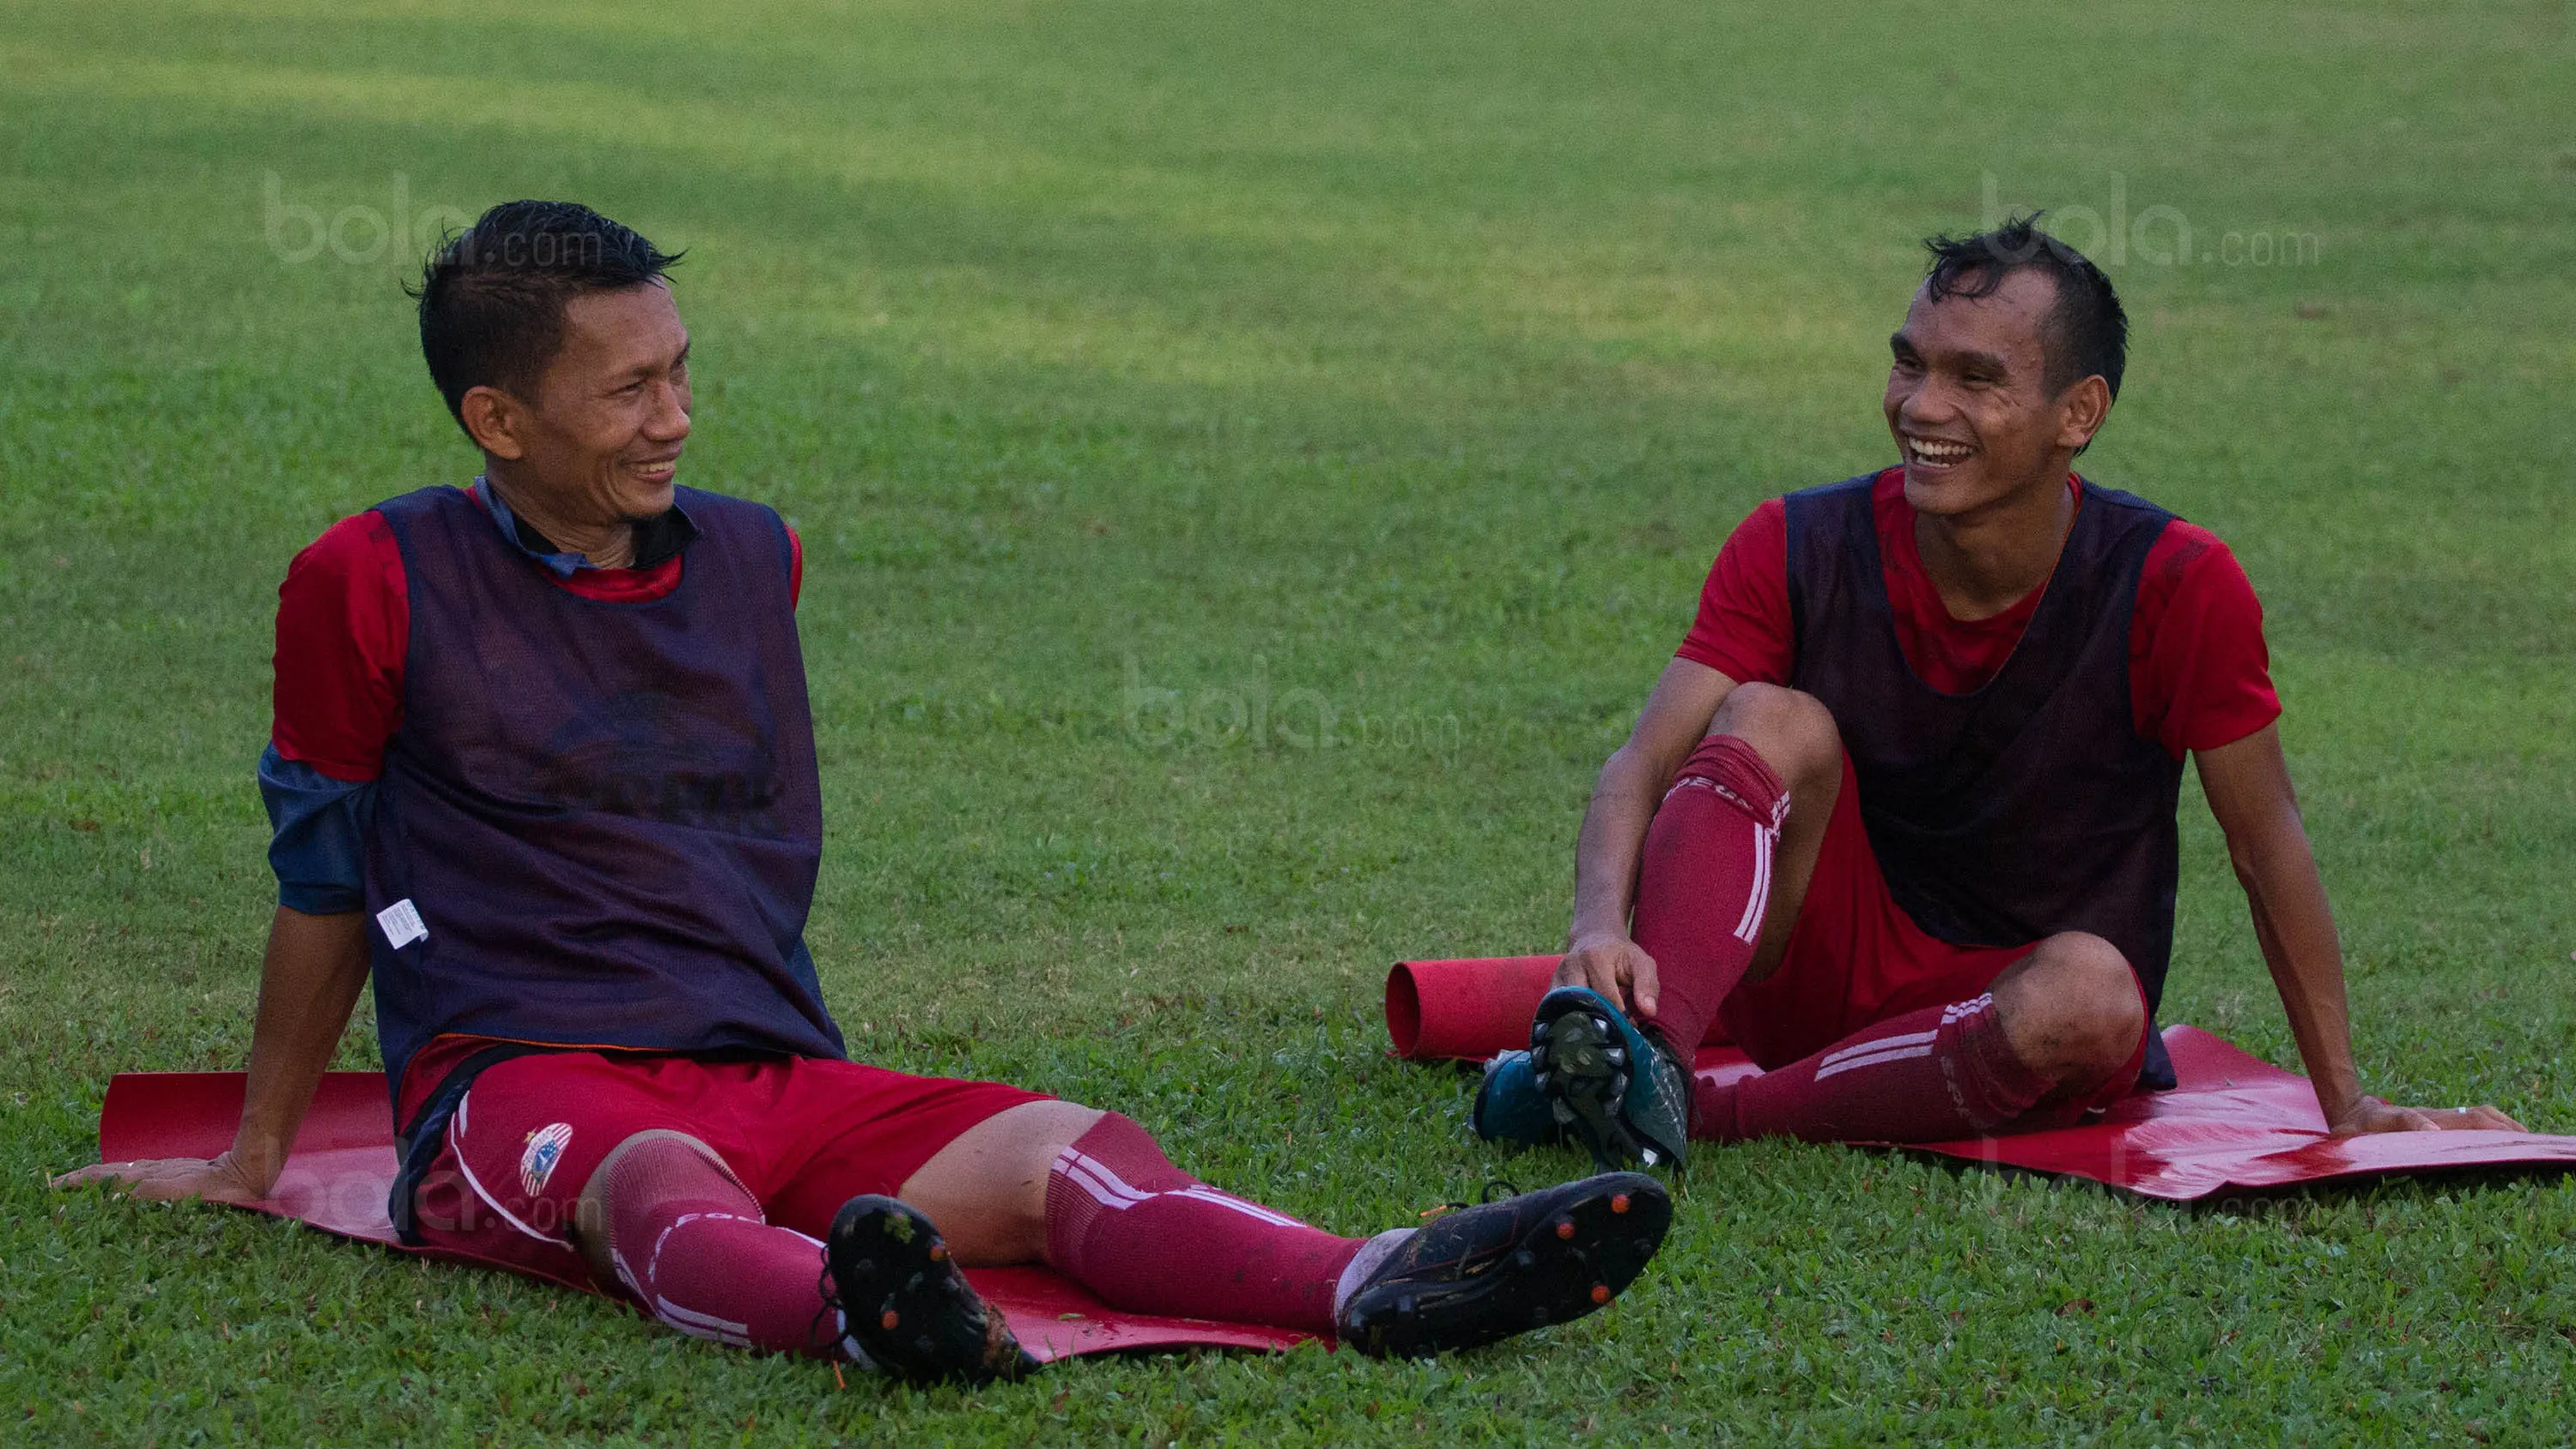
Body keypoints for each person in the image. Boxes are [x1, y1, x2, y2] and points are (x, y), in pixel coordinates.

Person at [55, 200, 1671, 1382]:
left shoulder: (761, 556)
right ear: (499, 418)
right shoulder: (364, 578)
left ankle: (1379, 1276)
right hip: (518, 1076)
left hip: (769, 1064)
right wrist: (263, 1149)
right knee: (656, 1190)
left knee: (1062, 1148)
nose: (676, 415)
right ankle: (853, 1309)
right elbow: (326, 872)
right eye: (627, 391)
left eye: (682, 371)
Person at [1473, 215, 2520, 1172]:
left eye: (1976, 379)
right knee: (1768, 716)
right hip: (1818, 980)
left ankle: (1678, 1107)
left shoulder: (2176, 582)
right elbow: (1642, 765)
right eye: (1908, 363)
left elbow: (2268, 841)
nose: (1923, 406)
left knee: (2097, 994)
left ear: (2080, 412)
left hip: (2031, 1015)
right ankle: (1647, 1053)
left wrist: (2348, 1104)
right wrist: (1596, 928)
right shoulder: (1794, 543)